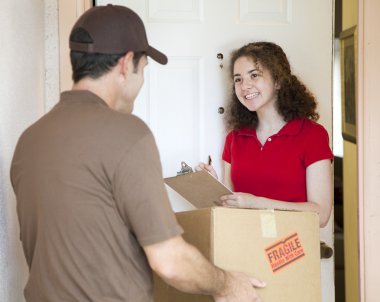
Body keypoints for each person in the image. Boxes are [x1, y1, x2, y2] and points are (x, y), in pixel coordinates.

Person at [10, 5, 265, 302]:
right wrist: (227, 284)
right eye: (143, 69)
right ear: (126, 63)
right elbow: (170, 261)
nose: (142, 81)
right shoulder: (126, 133)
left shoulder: (29, 140)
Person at [197, 42, 333, 228]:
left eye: (254, 75)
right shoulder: (235, 138)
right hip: (242, 245)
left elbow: (322, 214)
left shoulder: (312, 135)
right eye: (238, 79)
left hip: (291, 249)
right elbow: (233, 206)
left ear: (277, 81)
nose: (244, 86)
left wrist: (257, 203)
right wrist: (213, 187)